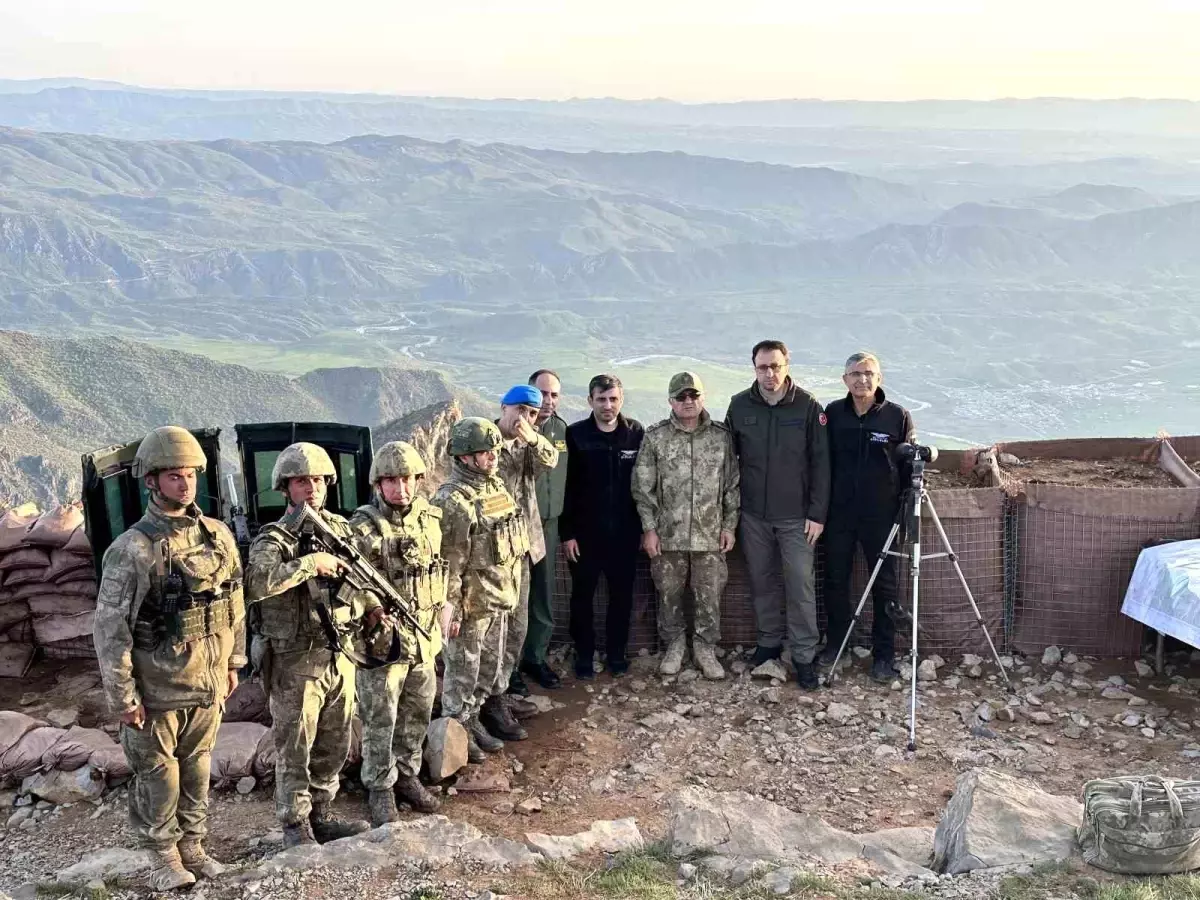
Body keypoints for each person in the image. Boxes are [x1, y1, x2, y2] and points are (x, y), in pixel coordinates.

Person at [93, 426, 245, 891]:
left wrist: (233, 664)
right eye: (174, 477)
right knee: (158, 777)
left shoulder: (217, 537)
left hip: (206, 684)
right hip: (156, 689)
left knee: (198, 769)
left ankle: (193, 845)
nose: (185, 485)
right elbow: (110, 631)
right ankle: (162, 855)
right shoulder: (131, 551)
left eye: (191, 476)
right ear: (151, 482)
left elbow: (234, 606)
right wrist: (124, 696)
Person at [246, 443, 377, 847]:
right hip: (295, 661)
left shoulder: (338, 528)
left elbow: (359, 576)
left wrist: (372, 606)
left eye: (318, 480)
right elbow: (256, 584)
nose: (312, 488)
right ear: (285, 487)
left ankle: (321, 814)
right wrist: (309, 565)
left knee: (334, 742)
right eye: (302, 481)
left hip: (338, 653)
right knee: (295, 747)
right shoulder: (275, 539)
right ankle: (294, 825)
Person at [350, 441, 447, 825]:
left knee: (417, 712)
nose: (401, 489)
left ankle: (407, 774)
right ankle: (378, 787)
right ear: (378, 484)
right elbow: (350, 585)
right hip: (383, 641)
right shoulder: (362, 527)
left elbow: (441, 570)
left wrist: (444, 612)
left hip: (424, 637)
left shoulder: (429, 519)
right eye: (391, 481)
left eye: (407, 480)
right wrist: (371, 607)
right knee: (380, 718)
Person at [725, 340, 831, 690]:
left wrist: (817, 514)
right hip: (753, 514)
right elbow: (729, 464)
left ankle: (804, 656)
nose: (769, 374)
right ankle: (768, 643)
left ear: (787, 365)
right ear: (753, 367)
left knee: (800, 586)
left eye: (775, 366)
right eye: (762, 367)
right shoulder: (739, 406)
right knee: (761, 581)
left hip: (796, 518)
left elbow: (821, 464)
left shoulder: (807, 406)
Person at [633, 373, 740, 680]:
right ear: (671, 401)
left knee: (709, 596)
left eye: (693, 395)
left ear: (702, 398)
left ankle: (705, 648)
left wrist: (729, 526)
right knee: (669, 595)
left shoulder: (721, 437)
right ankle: (675, 646)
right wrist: (649, 529)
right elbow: (643, 488)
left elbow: (731, 486)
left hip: (709, 535)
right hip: (668, 536)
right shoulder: (656, 437)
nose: (688, 401)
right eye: (681, 397)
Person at [433, 417, 528, 762]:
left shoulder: (495, 489)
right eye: (483, 452)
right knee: (462, 677)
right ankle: (456, 733)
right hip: (472, 607)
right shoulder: (452, 501)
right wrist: (452, 610)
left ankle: (474, 723)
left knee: (487, 671)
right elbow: (450, 564)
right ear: (464, 457)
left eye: (493, 450)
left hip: (499, 599)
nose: (492, 456)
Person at [821, 352, 916, 683]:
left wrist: (904, 513)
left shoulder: (897, 417)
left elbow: (907, 466)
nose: (862, 379)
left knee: (885, 586)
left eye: (868, 373)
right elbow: (820, 462)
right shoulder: (832, 414)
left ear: (880, 378)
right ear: (844, 379)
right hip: (838, 514)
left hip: (882, 517)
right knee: (835, 580)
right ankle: (837, 645)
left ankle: (884, 655)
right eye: (855, 373)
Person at [561, 374, 645, 679]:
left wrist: (644, 530)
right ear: (590, 401)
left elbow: (644, 485)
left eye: (613, 399)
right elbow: (566, 487)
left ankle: (616, 654)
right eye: (601, 399)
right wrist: (567, 533)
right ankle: (584, 655)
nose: (607, 405)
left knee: (621, 598)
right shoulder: (576, 435)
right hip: (585, 536)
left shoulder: (635, 433)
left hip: (624, 536)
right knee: (582, 597)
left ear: (621, 400)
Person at [490, 385, 558, 733]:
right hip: (489, 555)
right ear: (504, 407)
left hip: (521, 547)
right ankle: (488, 702)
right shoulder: (482, 440)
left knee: (517, 627)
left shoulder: (527, 445)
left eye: (532, 413)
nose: (525, 418)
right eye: (520, 410)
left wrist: (532, 437)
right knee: (493, 631)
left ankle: (503, 690)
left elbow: (550, 460)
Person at [520, 369, 569, 690]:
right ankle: (508, 669)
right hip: (517, 528)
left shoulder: (560, 429)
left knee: (543, 595)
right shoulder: (513, 432)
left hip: (549, 526)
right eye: (543, 394)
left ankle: (535, 659)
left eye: (554, 395)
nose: (549, 401)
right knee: (514, 599)